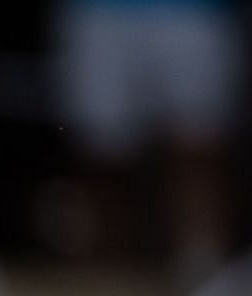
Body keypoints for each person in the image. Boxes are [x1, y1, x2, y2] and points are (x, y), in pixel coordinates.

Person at [56, 0, 242, 279]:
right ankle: (110, 274)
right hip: (99, 12)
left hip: (195, 12)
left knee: (197, 145)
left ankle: (200, 267)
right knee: (103, 155)